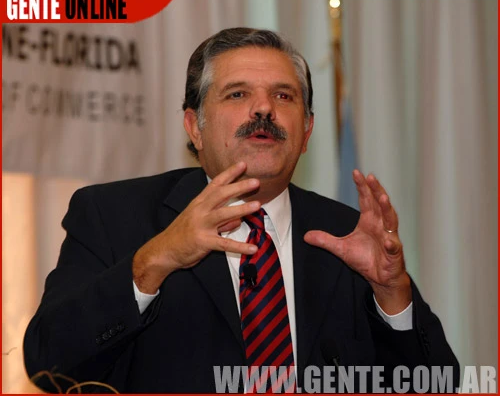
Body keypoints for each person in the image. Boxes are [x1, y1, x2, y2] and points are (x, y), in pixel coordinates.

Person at [24, 27, 458, 393]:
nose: (264, 108)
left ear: (307, 132)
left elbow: (436, 384)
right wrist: (156, 260)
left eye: (283, 95)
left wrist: (392, 294)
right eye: (237, 93)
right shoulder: (114, 216)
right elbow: (49, 363)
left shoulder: (347, 235)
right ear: (195, 127)